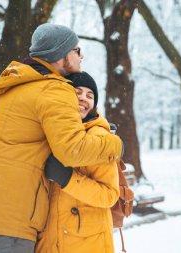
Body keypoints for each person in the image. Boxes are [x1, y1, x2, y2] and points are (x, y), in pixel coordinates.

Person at [0, 23, 123, 253]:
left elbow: (6, 148)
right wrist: (116, 144)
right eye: (76, 50)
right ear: (62, 54)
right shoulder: (53, 90)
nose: (81, 55)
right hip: (10, 223)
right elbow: (72, 150)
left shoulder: (12, 89)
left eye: (89, 95)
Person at [37, 72, 119, 253]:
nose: (83, 98)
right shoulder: (47, 133)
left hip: (87, 244)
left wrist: (68, 179)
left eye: (90, 96)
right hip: (49, 240)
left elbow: (109, 195)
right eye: (78, 92)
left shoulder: (98, 138)